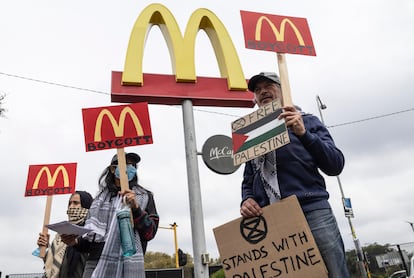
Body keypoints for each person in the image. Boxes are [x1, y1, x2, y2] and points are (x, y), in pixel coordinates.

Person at [240, 72, 350, 278]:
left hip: (312, 212)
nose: (262, 91)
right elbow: (249, 178)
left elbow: (335, 165)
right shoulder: (251, 135)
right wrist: (247, 199)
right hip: (270, 217)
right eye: (257, 90)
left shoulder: (307, 121)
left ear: (285, 91)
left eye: (268, 86)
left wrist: (304, 134)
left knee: (334, 271)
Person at [61, 152, 159, 278]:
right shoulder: (98, 201)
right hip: (96, 266)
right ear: (113, 169)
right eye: (125, 164)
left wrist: (136, 209)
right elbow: (89, 240)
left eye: (133, 165)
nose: (130, 168)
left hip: (128, 265)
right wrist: (74, 241)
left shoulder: (144, 197)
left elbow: (150, 233)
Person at [36, 190, 93, 278]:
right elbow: (54, 264)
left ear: (86, 206)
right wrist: (45, 248)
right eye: (69, 203)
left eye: (76, 203)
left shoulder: (91, 232)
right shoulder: (61, 233)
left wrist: (76, 243)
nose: (71, 207)